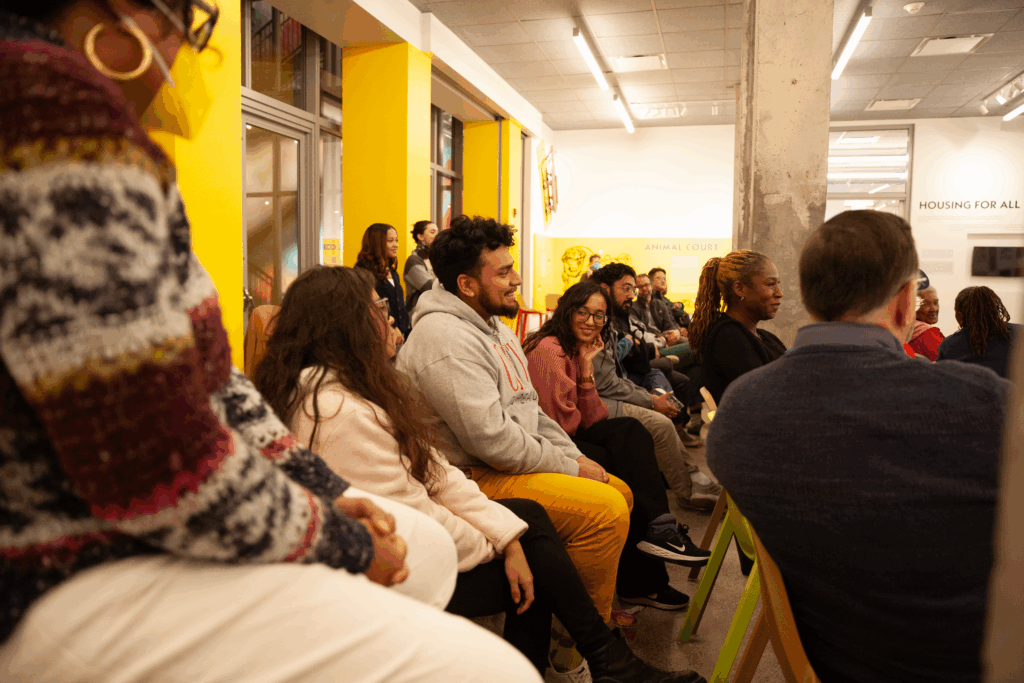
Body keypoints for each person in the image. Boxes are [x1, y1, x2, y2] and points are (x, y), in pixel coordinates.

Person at [0, 4, 544, 682]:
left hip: (123, 524)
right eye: (189, 24)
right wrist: (334, 534)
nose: (187, 51)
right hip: (54, 561)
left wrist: (322, 489)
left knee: (427, 549)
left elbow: (216, 383)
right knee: (494, 671)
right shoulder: (48, 105)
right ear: (119, 18)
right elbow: (151, 452)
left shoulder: (95, 131)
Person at [254, 265, 706, 683]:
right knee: (549, 554)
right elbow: (414, 511)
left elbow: (437, 469)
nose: (393, 318)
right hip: (395, 561)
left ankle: (601, 655)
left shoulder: (370, 383)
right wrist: (498, 544)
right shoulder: (339, 408)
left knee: (540, 517)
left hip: (437, 511)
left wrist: (507, 534)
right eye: (379, 310)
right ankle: (596, 655)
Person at [707, 210, 1009, 683]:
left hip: (834, 662)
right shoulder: (985, 404)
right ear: (907, 300)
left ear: (807, 296)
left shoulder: (741, 415)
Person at [397, 215, 641, 623]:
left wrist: (575, 458)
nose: (517, 280)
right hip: (468, 475)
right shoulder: (445, 339)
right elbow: (491, 441)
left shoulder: (496, 328)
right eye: (505, 272)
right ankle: (578, 648)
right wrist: (569, 466)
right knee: (606, 511)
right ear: (467, 285)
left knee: (620, 491)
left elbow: (532, 411)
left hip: (498, 463)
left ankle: (574, 617)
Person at [524, 281, 711, 609]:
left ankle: (656, 545)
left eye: (599, 316)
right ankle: (652, 559)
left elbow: (594, 417)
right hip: (547, 447)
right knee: (630, 452)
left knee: (630, 434)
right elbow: (560, 426)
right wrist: (584, 371)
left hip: (568, 437)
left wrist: (584, 368)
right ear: (567, 311)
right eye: (583, 312)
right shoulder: (549, 351)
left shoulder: (575, 349)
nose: (591, 322)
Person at [589, 264, 720, 512]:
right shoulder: (597, 319)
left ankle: (691, 475)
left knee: (672, 381)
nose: (634, 293)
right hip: (594, 400)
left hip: (616, 385)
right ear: (605, 289)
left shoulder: (617, 317)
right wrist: (648, 400)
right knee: (660, 413)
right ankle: (687, 491)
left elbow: (619, 370)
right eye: (627, 288)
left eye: (636, 288)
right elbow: (607, 382)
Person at [687, 250, 786, 407]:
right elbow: (765, 399)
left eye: (777, 284)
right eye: (770, 284)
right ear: (740, 289)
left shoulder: (764, 337)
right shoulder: (728, 338)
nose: (779, 293)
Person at [938, 286, 1020, 379]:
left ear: (960, 315)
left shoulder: (949, 346)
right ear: (995, 309)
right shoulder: (1020, 333)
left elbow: (942, 381)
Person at [355, 223, 411, 340]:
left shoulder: (391, 269)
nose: (396, 245)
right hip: (381, 335)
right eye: (390, 241)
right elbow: (371, 306)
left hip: (400, 334)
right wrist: (393, 327)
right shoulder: (364, 270)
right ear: (376, 243)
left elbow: (398, 303)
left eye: (396, 240)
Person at [403, 219, 438, 314]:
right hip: (419, 313)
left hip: (434, 310)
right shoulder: (413, 260)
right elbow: (430, 286)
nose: (437, 236)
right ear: (420, 236)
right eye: (432, 232)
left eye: (438, 232)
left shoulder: (435, 258)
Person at [908, 285, 944, 361]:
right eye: (925, 304)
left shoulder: (904, 328)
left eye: (935, 303)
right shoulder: (927, 333)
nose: (933, 309)